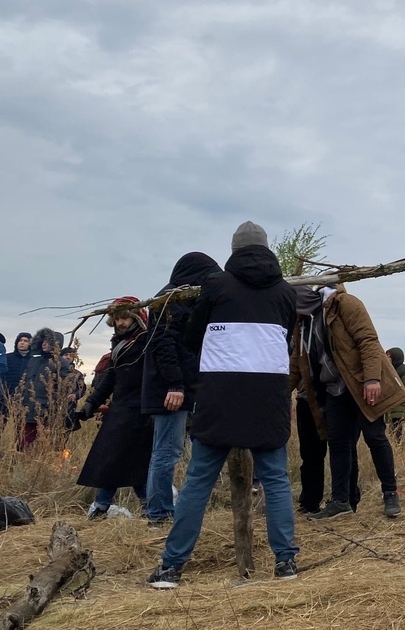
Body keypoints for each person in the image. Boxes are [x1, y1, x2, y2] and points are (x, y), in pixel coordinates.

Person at [148, 222, 298, 588]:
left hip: (219, 397)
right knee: (276, 480)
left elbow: (192, 336)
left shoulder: (215, 287)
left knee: (198, 480)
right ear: (267, 249)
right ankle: (286, 563)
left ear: (233, 250)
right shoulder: (285, 293)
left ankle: (171, 567)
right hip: (268, 398)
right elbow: (288, 336)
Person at [307, 283, 405, 520]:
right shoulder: (309, 317)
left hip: (360, 384)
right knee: (339, 443)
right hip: (335, 388)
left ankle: (390, 493)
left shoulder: (346, 303)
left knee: (375, 437)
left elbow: (368, 340)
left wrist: (372, 378)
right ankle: (341, 501)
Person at [141, 252, 221, 526]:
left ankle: (163, 509)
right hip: (169, 390)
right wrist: (175, 384)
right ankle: (160, 512)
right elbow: (164, 346)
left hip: (179, 387)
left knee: (167, 450)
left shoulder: (177, 300)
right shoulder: (170, 302)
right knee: (167, 451)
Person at [75, 298, 154, 520]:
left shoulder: (146, 340)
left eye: (125, 317)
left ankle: (104, 507)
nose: (120, 322)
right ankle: (146, 509)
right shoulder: (121, 341)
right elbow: (111, 375)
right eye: (117, 318)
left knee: (121, 460)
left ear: (137, 317)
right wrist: (92, 402)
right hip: (121, 407)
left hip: (140, 409)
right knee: (123, 461)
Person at [289, 285, 361, 516]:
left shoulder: (332, 315)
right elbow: (293, 366)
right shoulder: (298, 328)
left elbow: (361, 344)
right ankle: (310, 501)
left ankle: (348, 499)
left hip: (338, 392)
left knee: (344, 446)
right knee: (310, 454)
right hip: (307, 397)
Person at [17, 328, 74, 449]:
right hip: (25, 409)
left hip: (44, 413)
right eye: (42, 341)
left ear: (56, 343)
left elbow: (66, 388)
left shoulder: (62, 364)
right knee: (22, 445)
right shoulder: (34, 360)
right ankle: (21, 465)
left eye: (47, 341)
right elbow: (24, 381)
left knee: (40, 446)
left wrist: (49, 406)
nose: (44, 343)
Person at [385, 347, 405, 441]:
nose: (387, 358)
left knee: (397, 427)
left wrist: (391, 389)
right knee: (392, 427)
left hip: (400, 404)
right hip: (391, 404)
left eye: (389, 356)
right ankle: (394, 446)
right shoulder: (388, 369)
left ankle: (398, 446)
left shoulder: (404, 370)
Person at [3, 332, 34, 397]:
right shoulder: (7, 358)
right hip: (8, 394)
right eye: (20, 340)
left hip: (26, 395)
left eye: (25, 341)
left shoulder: (33, 360)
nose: (22, 343)